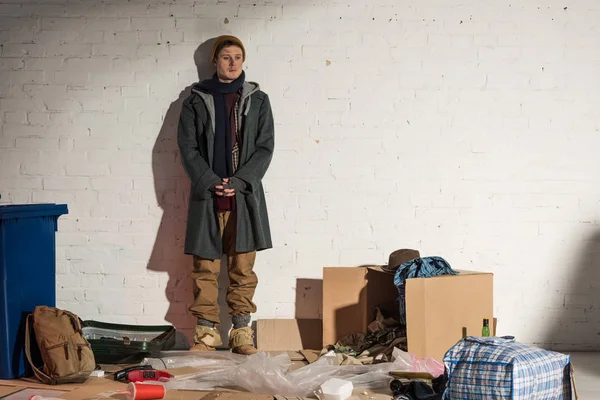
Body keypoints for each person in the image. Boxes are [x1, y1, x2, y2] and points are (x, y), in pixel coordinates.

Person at [177, 35, 274, 354]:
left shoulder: (259, 100)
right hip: (207, 197)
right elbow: (187, 146)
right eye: (226, 57)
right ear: (214, 62)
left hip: (244, 198)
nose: (232, 63)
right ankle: (206, 334)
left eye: (237, 57)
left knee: (242, 267)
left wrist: (240, 181)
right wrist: (207, 179)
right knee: (205, 267)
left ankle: (241, 332)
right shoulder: (195, 99)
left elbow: (264, 147)